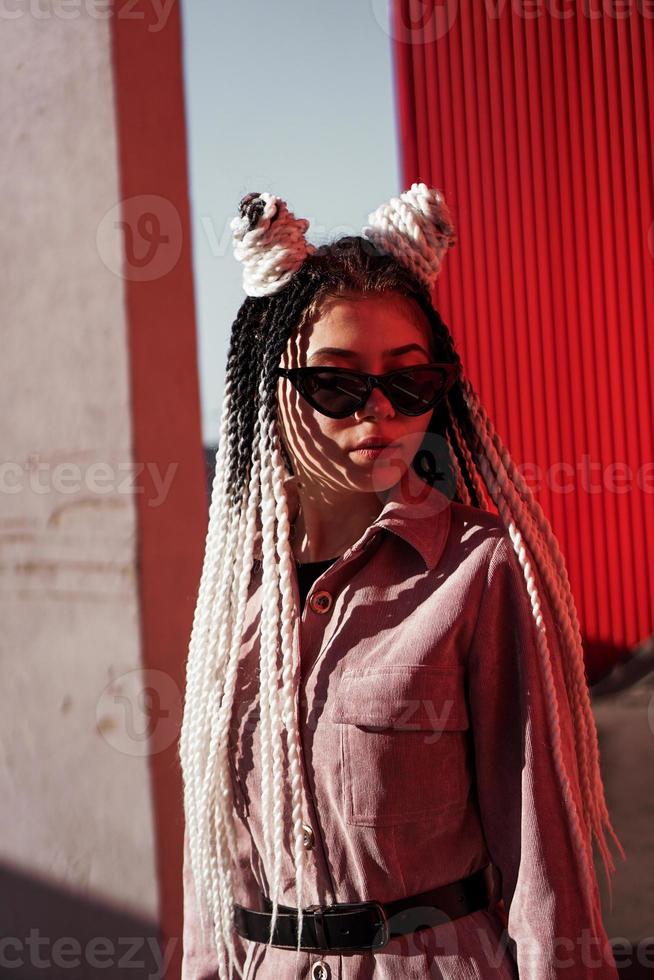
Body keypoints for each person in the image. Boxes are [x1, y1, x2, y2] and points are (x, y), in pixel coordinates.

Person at [179, 184, 625, 979]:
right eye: (337, 384)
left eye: (410, 382)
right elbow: (212, 882)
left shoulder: (478, 572)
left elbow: (544, 864)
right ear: (270, 390)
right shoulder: (230, 600)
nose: (377, 414)